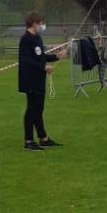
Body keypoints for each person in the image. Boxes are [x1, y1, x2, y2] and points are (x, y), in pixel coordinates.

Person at [18, 12, 64, 150]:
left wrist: (56, 56)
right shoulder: (26, 39)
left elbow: (40, 56)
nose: (42, 26)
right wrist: (43, 67)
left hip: (39, 79)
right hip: (30, 79)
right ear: (34, 23)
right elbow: (26, 60)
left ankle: (43, 138)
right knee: (31, 110)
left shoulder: (37, 38)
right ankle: (28, 141)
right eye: (41, 23)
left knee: (39, 109)